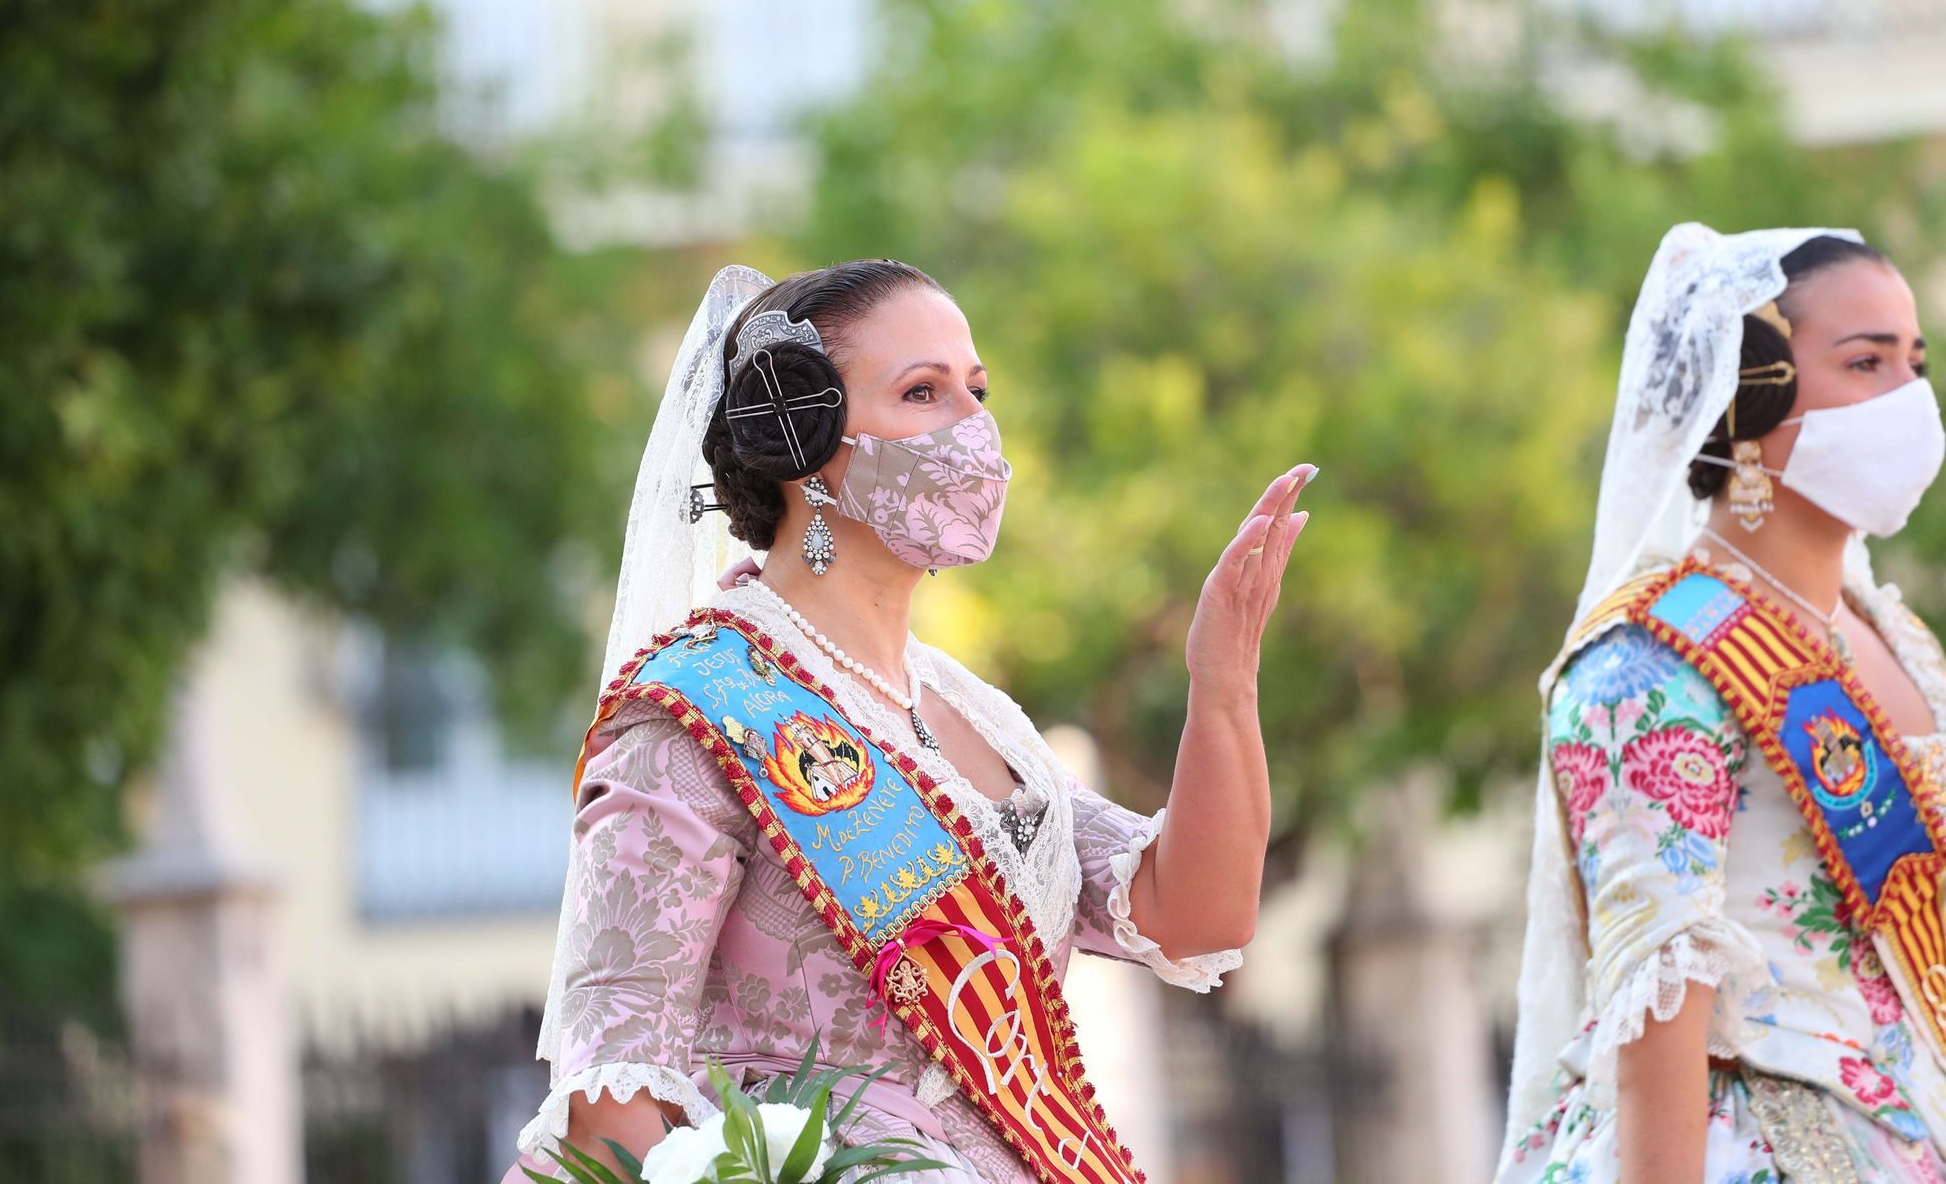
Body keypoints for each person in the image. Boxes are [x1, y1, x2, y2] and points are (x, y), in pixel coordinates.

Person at [505, 261, 1312, 1182]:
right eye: (923, 392)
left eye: (977, 390)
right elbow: (612, 1097)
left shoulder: (983, 718)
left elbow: (1193, 912)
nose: (974, 430)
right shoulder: (697, 712)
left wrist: (1222, 680)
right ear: (802, 434)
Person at [1500, 225, 1946, 1181]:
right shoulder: (1645, 661)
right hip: (1756, 1144)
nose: (1908, 400)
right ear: (1752, 399)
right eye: (1864, 362)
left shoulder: (1897, 634)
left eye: (1914, 362)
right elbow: (1659, 1011)